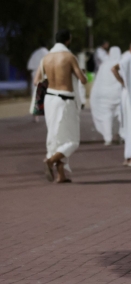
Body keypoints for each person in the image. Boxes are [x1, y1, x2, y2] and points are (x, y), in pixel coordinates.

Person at [33, 29, 87, 183]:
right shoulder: (69, 57)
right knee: (72, 141)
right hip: (65, 100)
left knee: (56, 136)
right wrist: (79, 73)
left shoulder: (45, 58)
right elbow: (82, 80)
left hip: (50, 99)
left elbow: (36, 81)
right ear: (68, 40)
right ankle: (50, 160)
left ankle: (61, 174)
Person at [90, 46, 123, 145]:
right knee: (120, 115)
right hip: (118, 94)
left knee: (106, 116)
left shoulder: (104, 65)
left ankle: (108, 137)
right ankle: (119, 135)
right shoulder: (122, 64)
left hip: (104, 96)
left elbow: (98, 82)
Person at [27, 43, 49, 120]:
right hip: (42, 73)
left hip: (34, 73)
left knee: (34, 92)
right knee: (43, 93)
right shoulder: (47, 52)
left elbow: (29, 65)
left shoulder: (35, 52)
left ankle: (35, 114)